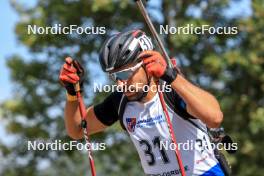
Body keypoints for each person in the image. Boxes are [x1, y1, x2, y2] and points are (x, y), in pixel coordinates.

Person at [59, 29, 225, 176]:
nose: (119, 83)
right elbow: (77, 131)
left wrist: (171, 75)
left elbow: (214, 118)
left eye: (124, 75)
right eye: (114, 77)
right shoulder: (121, 100)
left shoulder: (172, 91)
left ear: (146, 65)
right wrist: (72, 94)